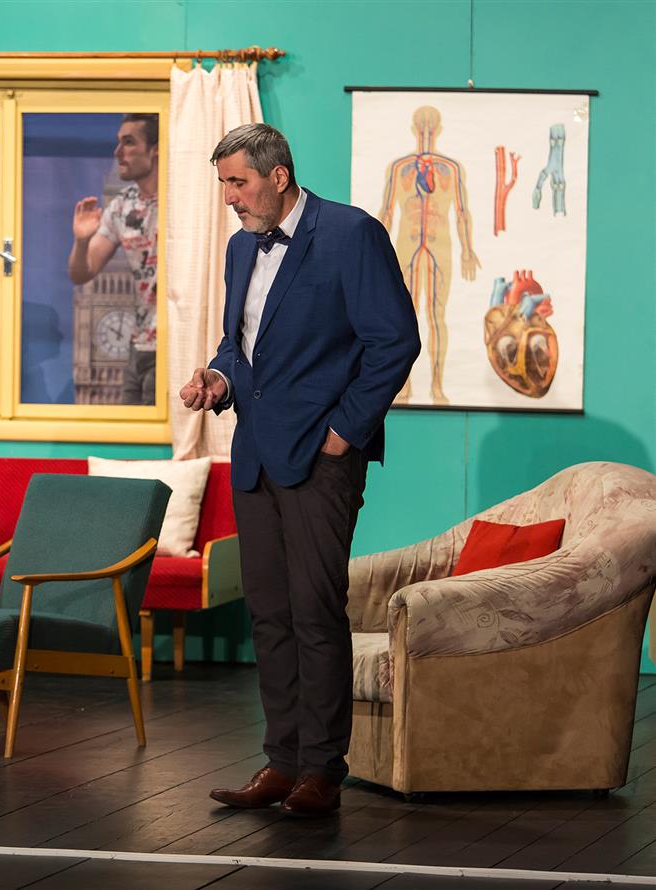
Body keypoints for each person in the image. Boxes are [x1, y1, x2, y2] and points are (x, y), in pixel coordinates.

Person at [180, 124, 420, 818]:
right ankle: (281, 762)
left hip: (320, 460)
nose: (230, 197)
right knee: (270, 614)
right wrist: (218, 379)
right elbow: (239, 346)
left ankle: (321, 769)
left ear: (278, 175)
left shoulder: (350, 234)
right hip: (255, 456)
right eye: (224, 184)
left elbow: (395, 341)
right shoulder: (240, 248)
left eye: (238, 182)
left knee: (315, 613)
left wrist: (344, 433)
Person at [377, 105, 480, 405]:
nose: (425, 130)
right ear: (413, 128)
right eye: (421, 124)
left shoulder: (451, 168)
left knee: (437, 315)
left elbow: (462, 211)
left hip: (440, 244)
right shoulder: (399, 168)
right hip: (406, 244)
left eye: (430, 125)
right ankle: (404, 386)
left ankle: (436, 386)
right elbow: (386, 212)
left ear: (439, 129)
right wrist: (375, 254)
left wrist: (468, 249)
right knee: (402, 319)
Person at [69, 113, 159, 405]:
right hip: (139, 344)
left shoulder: (184, 200)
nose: (118, 151)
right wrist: (82, 240)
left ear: (155, 149)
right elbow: (82, 272)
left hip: (174, 342)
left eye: (129, 143)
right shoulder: (122, 206)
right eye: (118, 142)